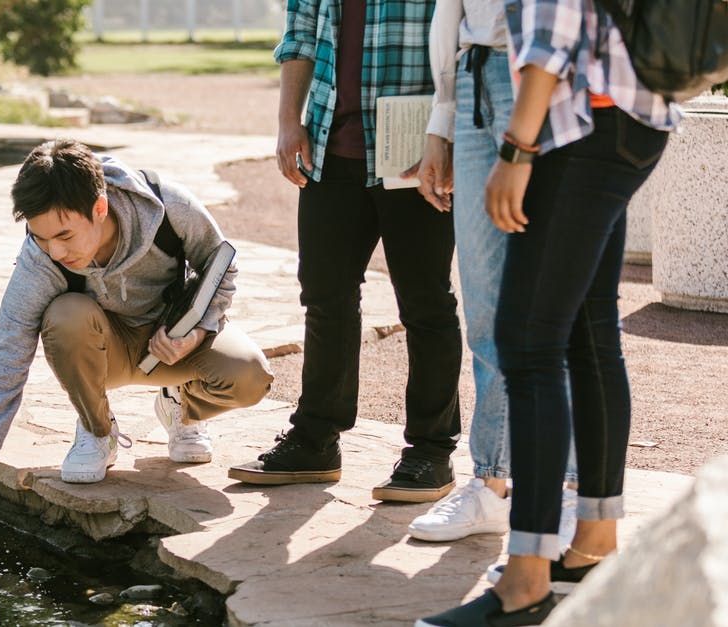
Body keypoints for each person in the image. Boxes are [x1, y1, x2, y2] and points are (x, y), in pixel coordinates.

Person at [416, 0, 679, 620]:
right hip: (627, 113)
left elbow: (553, 26)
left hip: (581, 124)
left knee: (528, 344)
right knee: (590, 334)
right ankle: (592, 544)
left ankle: (526, 581)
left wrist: (517, 149)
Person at [0, 139, 274, 561]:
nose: (56, 252)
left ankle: (181, 407)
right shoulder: (42, 257)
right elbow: (4, 356)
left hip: (173, 344)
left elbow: (222, 264)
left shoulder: (167, 206)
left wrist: (198, 333)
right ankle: (98, 429)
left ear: (99, 208)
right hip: (106, 350)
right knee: (65, 315)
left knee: (249, 376)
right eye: (41, 236)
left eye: (64, 234)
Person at [228, 0, 464, 504]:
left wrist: (447, 137)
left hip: (414, 145)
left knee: (425, 304)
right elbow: (300, 37)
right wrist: (288, 121)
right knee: (325, 296)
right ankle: (315, 439)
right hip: (329, 146)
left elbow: (460, 47)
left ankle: (431, 449)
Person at [404, 0, 578, 543]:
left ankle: (568, 490)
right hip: (472, 74)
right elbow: (450, 12)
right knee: (484, 309)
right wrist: (441, 120)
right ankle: (492, 483)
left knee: (554, 306)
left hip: (544, 79)